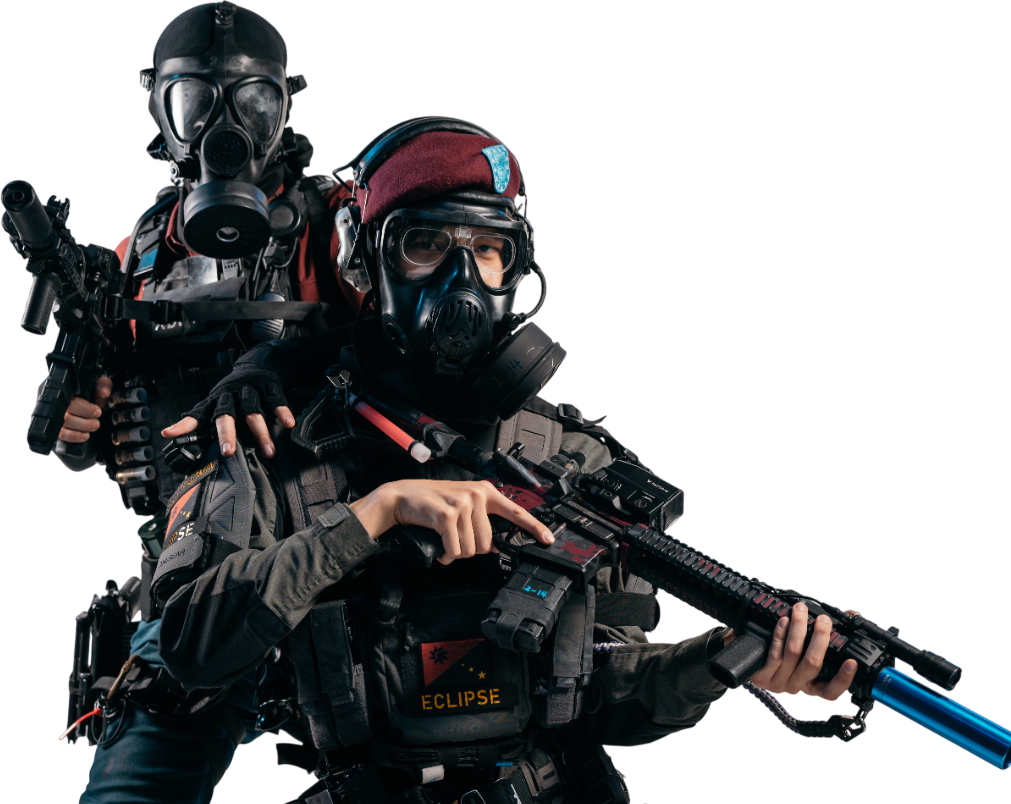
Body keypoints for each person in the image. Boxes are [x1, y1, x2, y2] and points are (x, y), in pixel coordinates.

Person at [154, 117, 862, 803]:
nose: (461, 277)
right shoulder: (278, 437)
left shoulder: (573, 459)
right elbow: (189, 646)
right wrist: (374, 514)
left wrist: (726, 660)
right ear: (368, 262)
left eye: (488, 248)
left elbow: (609, 692)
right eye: (424, 243)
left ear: (519, 267)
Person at [8, 4, 361, 802]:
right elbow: (114, 417)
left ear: (286, 106)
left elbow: (401, 353)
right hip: (199, 575)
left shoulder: (338, 227)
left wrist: (284, 359)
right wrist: (86, 427)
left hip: (337, 559)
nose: (224, 129)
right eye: (195, 102)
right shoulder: (138, 255)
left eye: (253, 102)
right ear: (159, 110)